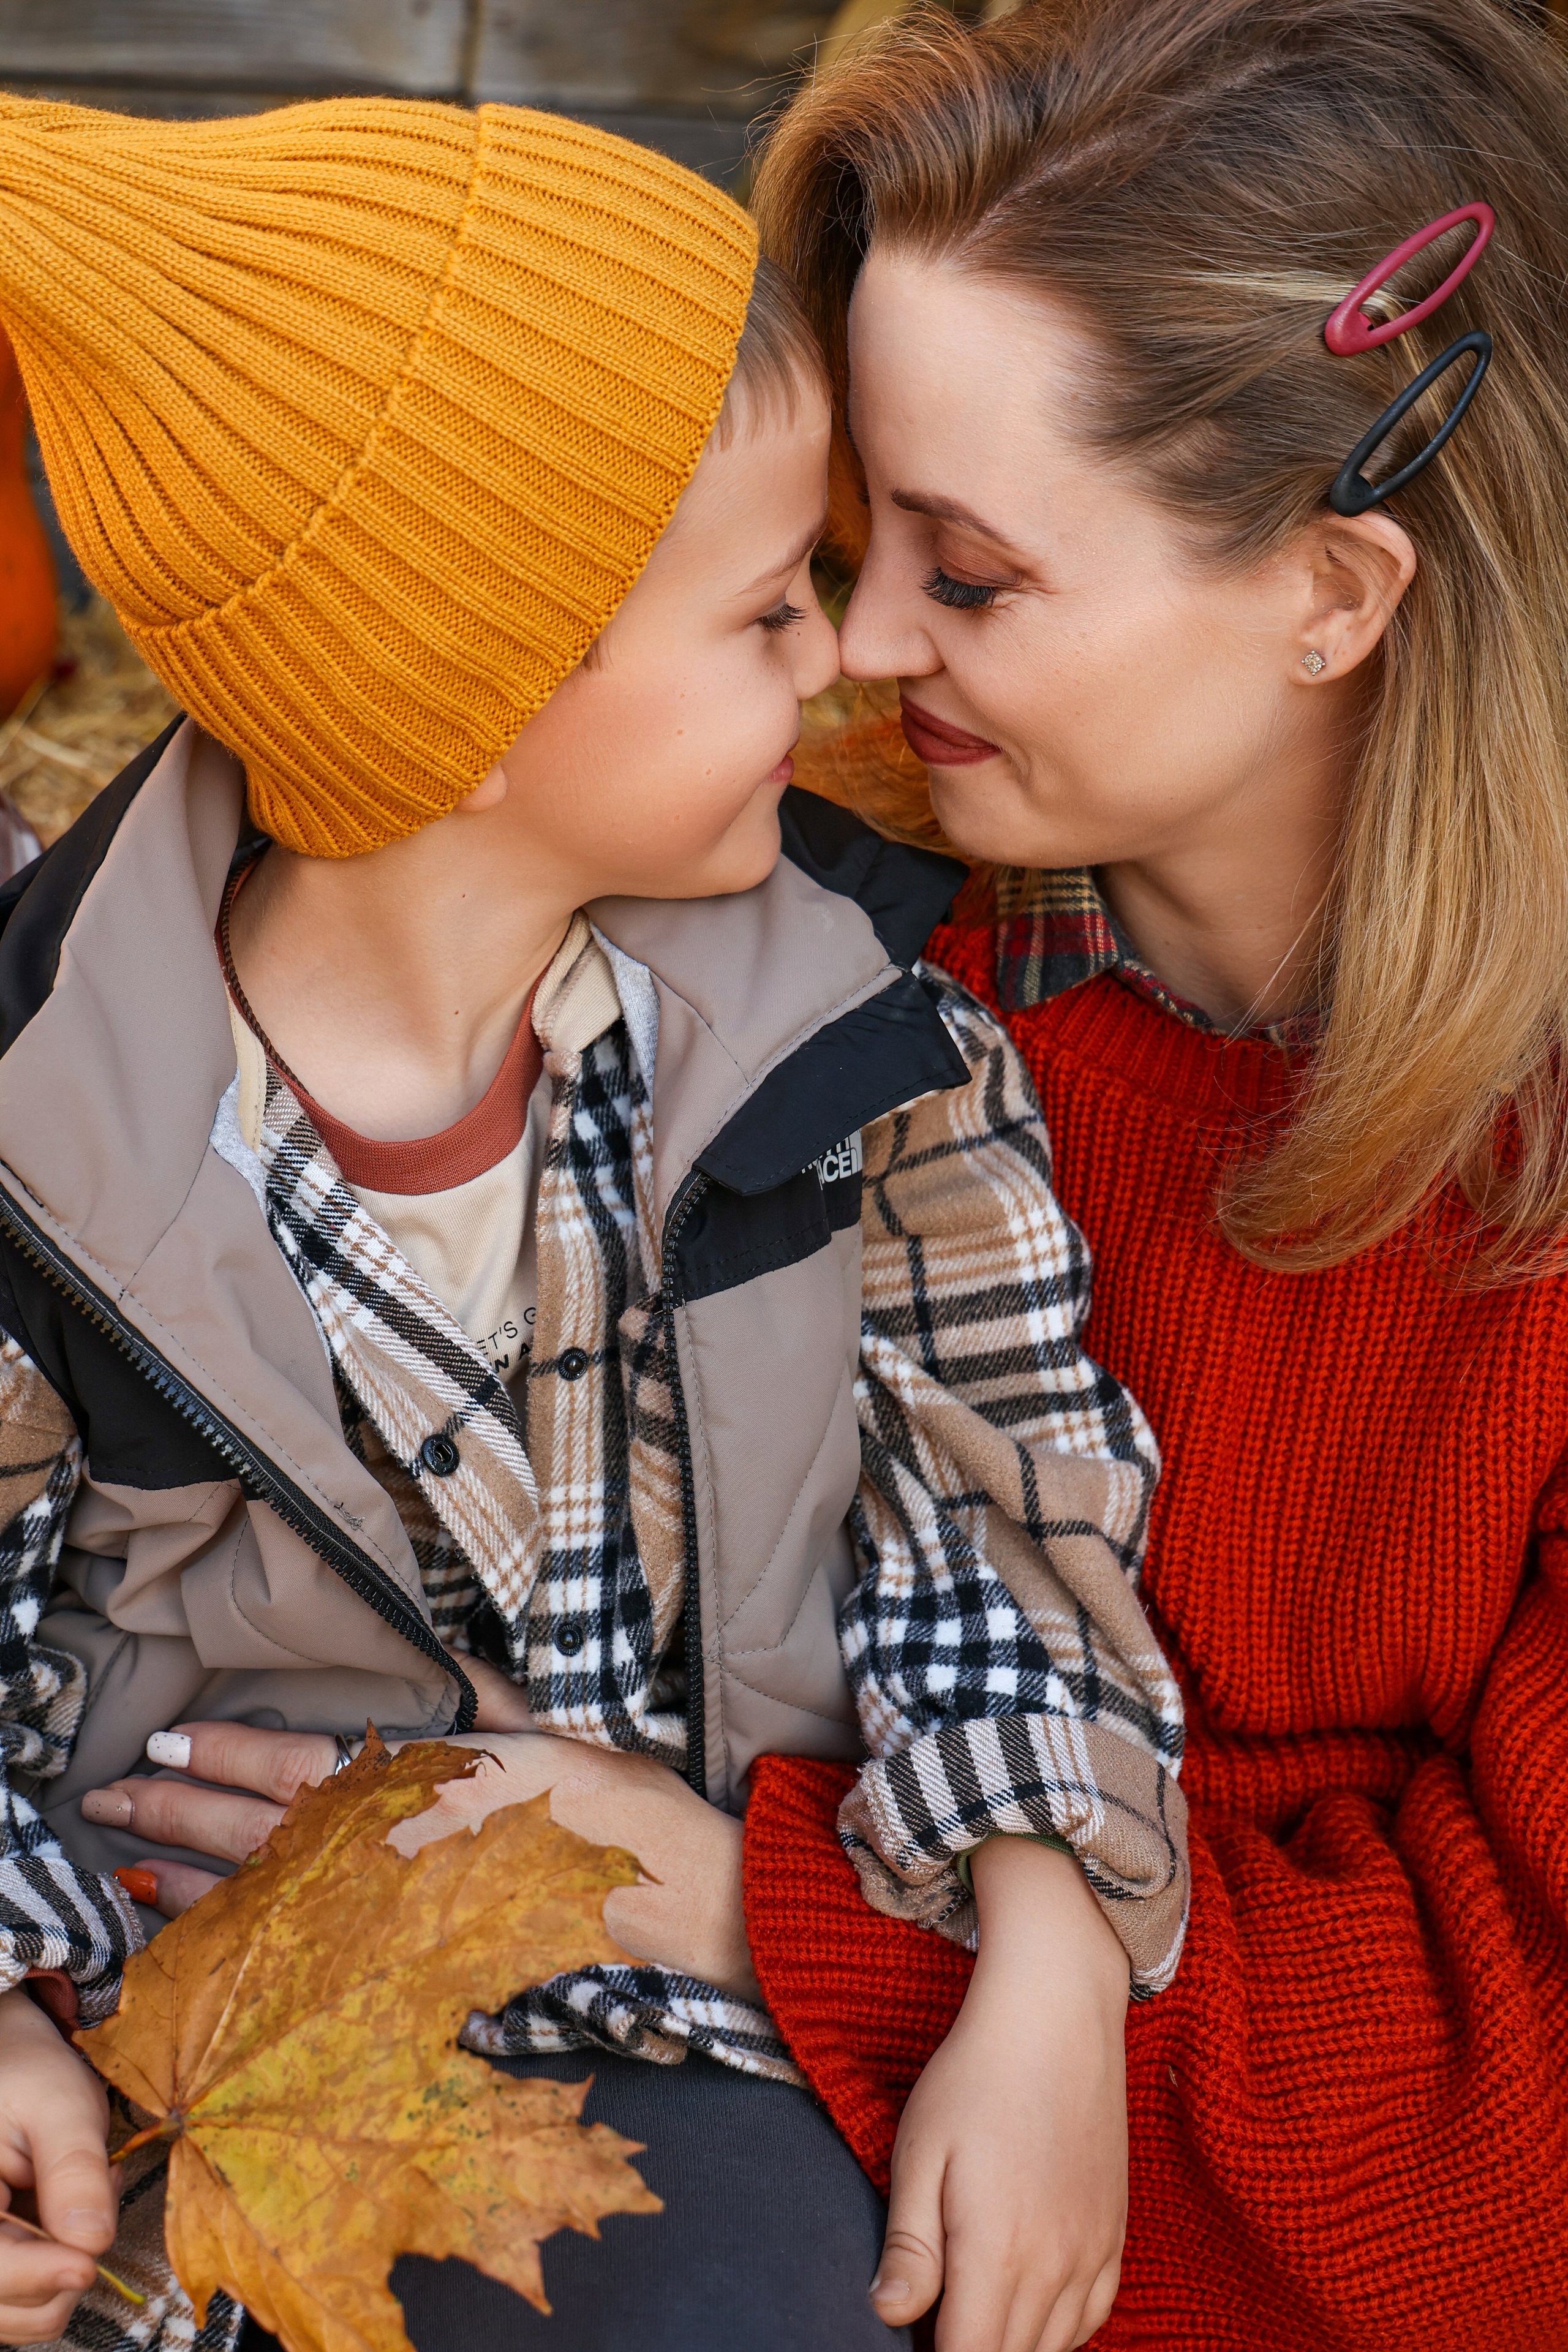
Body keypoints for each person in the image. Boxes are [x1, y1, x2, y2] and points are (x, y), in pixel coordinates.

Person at [0, 91, 1185, 2352]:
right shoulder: (48, 1166)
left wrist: (1044, 1956)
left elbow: (1004, 1519)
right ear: (463, 703)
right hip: (202, 2122)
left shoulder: (858, 1057)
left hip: (689, 2047)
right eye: (766, 609)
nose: (840, 666)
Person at [737, 0, 1568, 2343]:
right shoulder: (813, 974)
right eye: (841, 539)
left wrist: (760, 1906)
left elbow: (1510, 2172)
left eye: (969, 575)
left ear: (1336, 594)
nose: (857, 649)